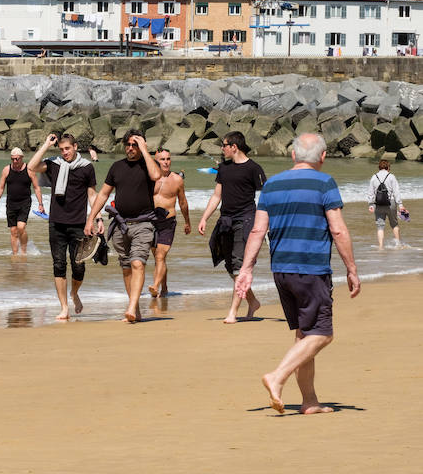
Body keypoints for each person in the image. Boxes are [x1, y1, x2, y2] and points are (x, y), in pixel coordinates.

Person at [236, 133, 361, 414]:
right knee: (323, 334)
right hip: (311, 270)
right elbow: (338, 229)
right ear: (323, 157)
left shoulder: (273, 184)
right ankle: (277, 377)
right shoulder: (325, 182)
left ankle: (309, 401)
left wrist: (246, 269)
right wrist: (351, 270)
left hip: (281, 270)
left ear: (292, 155)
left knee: (304, 335)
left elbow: (257, 230)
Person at [85, 129, 161, 322]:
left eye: (134, 145)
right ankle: (135, 310)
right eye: (128, 144)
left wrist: (144, 149)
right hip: (120, 225)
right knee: (126, 268)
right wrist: (91, 217)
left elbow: (156, 176)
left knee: (138, 263)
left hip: (143, 224)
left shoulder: (148, 165)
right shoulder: (117, 167)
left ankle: (131, 307)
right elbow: (103, 194)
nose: (130, 148)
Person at [29, 133, 102, 320]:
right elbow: (31, 166)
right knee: (59, 265)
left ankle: (74, 293)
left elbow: (92, 195)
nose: (64, 153)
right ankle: (64, 307)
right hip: (56, 223)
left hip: (79, 224)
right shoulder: (54, 164)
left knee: (79, 267)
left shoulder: (86, 168)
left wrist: (97, 218)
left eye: (67, 149)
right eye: (61, 149)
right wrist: (46, 144)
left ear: (75, 147)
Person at [198, 131, 267, 324]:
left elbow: (265, 198)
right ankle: (252, 301)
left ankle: (232, 312)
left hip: (246, 220)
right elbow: (217, 196)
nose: (222, 148)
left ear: (234, 147)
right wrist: (204, 218)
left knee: (238, 266)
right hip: (225, 220)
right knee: (229, 265)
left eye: (224, 145)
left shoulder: (254, 168)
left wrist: (265, 224)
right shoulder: (223, 168)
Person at [148, 148, 191, 298]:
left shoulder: (177, 180)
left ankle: (155, 286)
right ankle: (164, 288)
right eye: (162, 159)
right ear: (156, 160)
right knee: (158, 257)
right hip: (151, 221)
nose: (166, 162)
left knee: (160, 256)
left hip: (168, 221)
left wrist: (187, 222)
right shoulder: (150, 178)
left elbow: (183, 202)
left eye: (168, 159)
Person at [0, 147, 44, 255]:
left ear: (21, 158)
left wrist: (40, 204)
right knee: (13, 231)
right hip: (11, 203)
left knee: (21, 228)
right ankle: (15, 254)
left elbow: (36, 187)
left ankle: (23, 251)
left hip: (24, 202)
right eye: (13, 159)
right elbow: (0, 187)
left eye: (17, 159)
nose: (15, 161)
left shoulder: (29, 170)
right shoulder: (6, 170)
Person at [367, 159, 405, 249]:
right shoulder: (391, 176)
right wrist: (400, 205)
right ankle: (398, 245)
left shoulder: (374, 177)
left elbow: (370, 193)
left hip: (378, 204)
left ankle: (380, 247)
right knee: (394, 224)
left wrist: (371, 205)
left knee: (380, 226)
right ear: (388, 167)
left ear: (379, 167)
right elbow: (396, 191)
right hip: (390, 203)